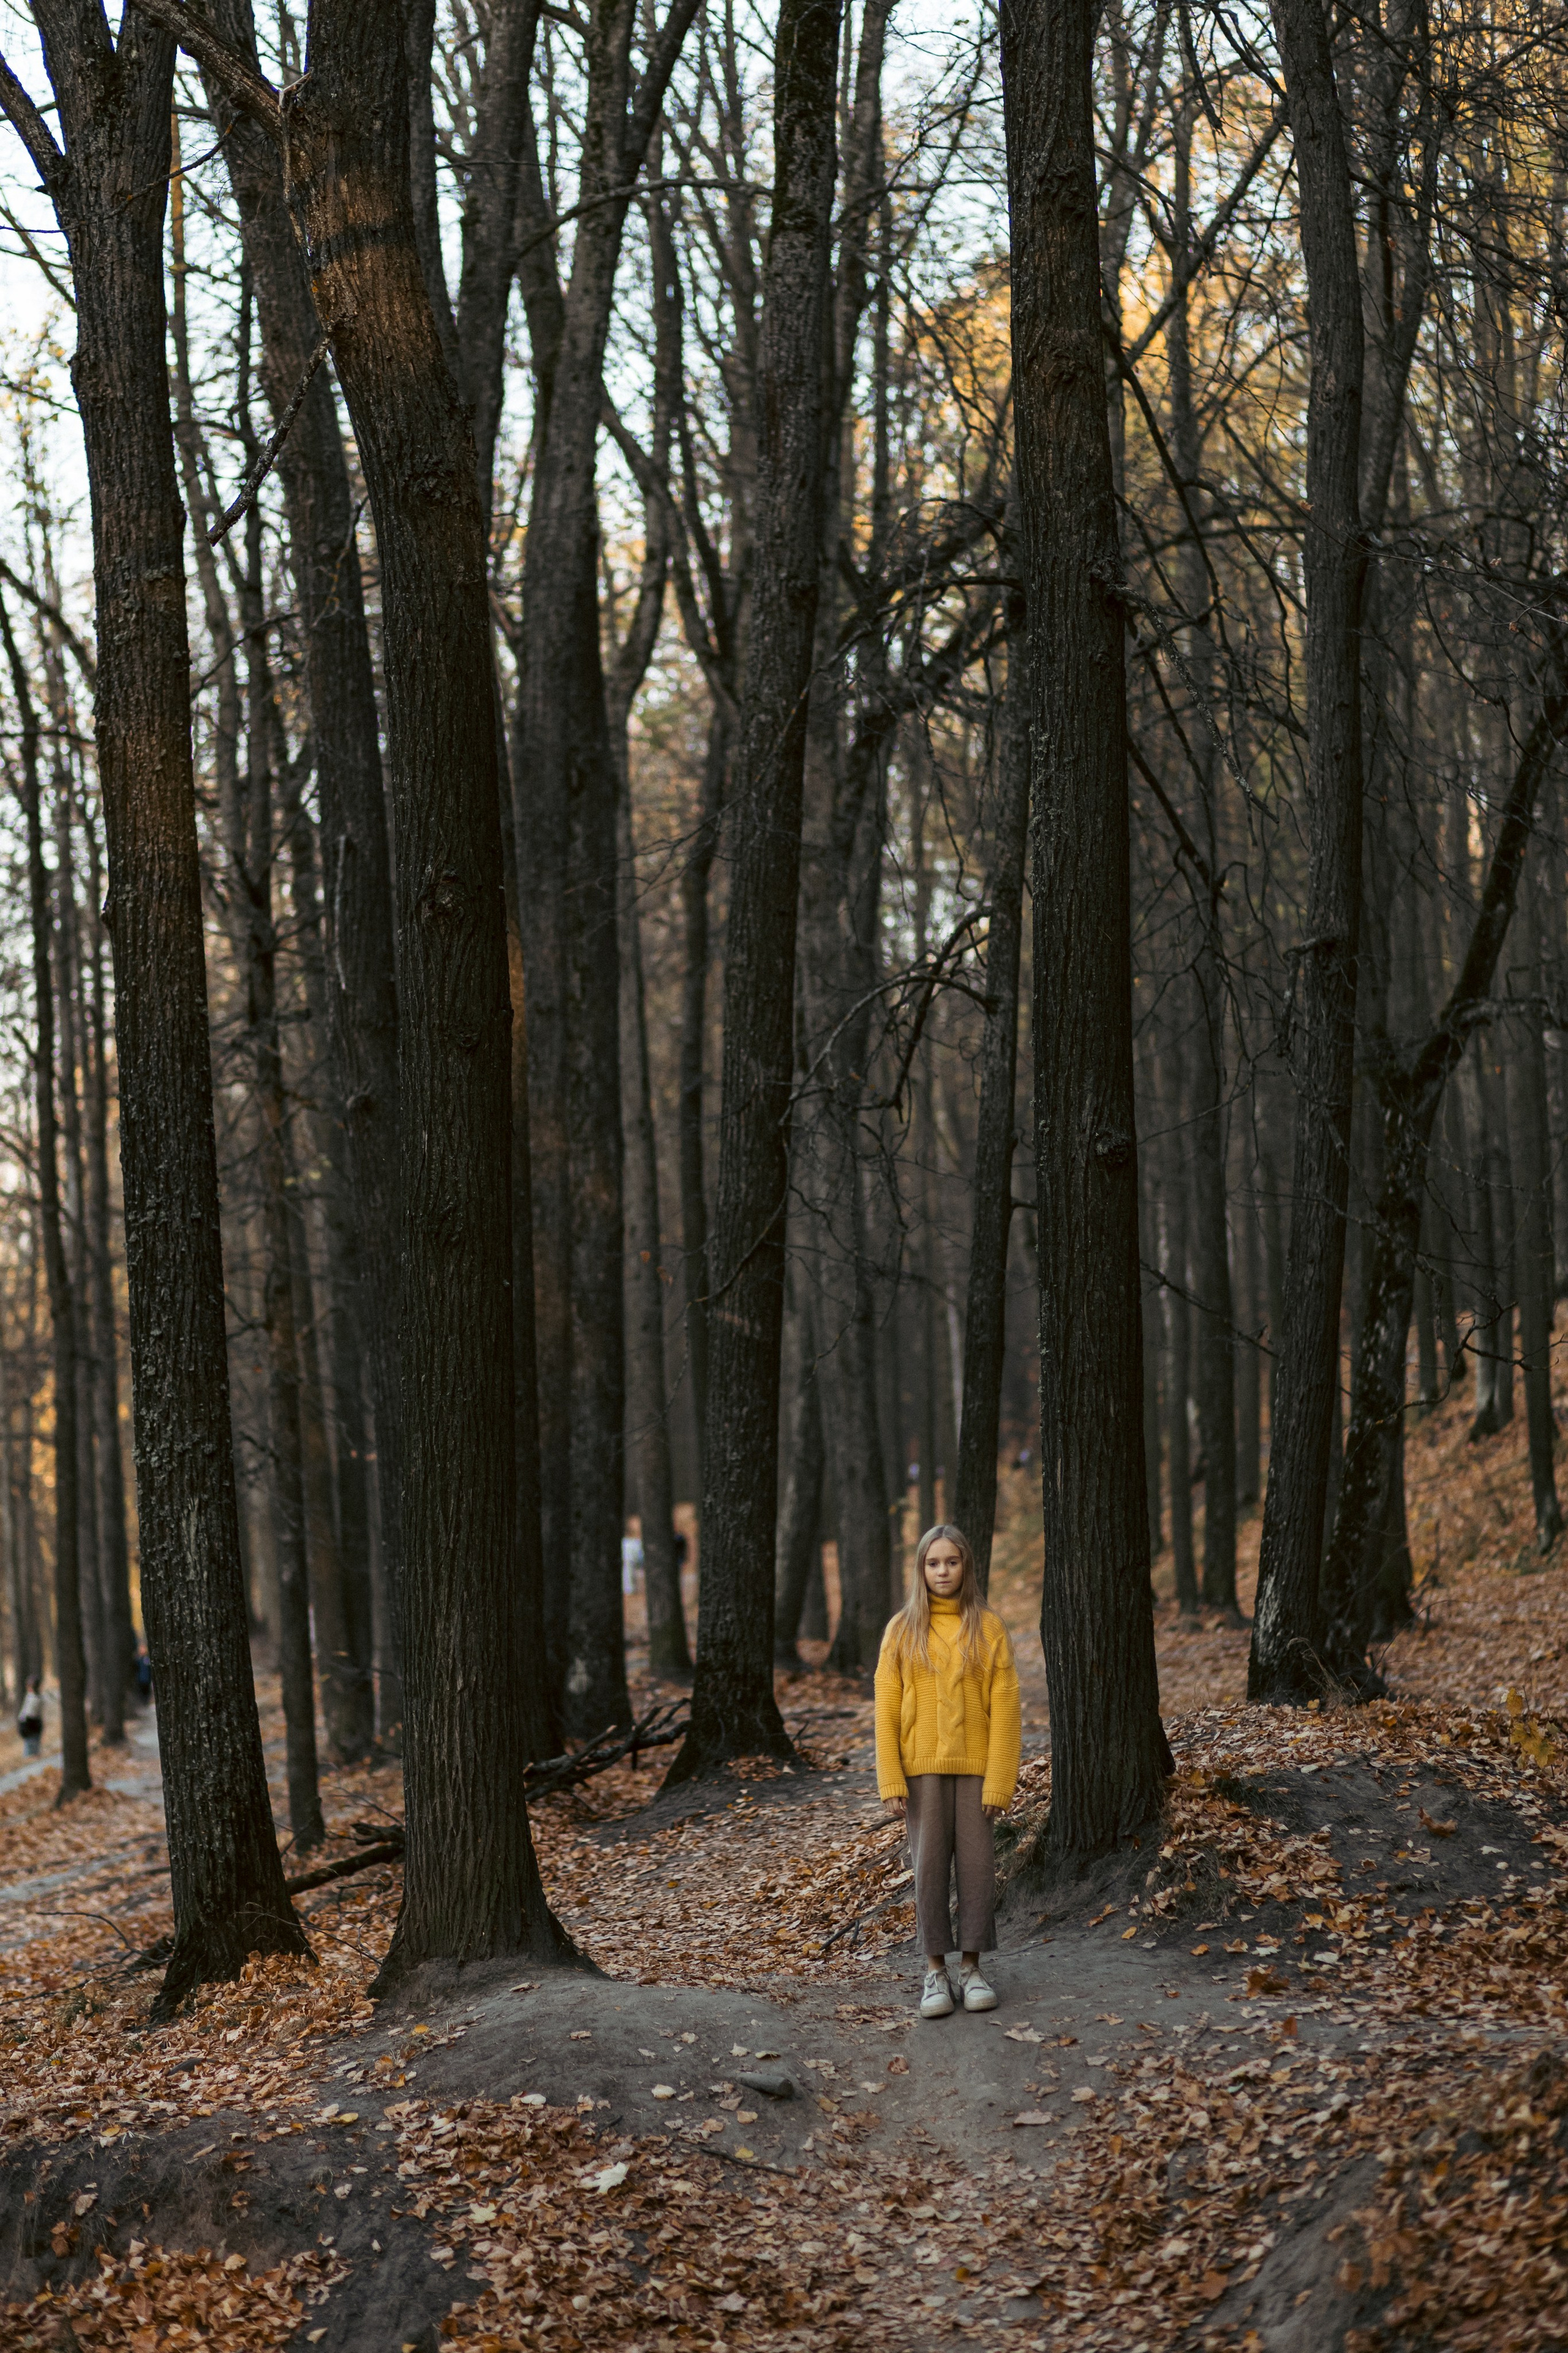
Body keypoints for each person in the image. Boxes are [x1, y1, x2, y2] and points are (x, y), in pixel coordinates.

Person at [875, 1523, 1020, 2020]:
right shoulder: (902, 1629)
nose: (942, 1571)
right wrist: (891, 1780)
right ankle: (935, 1969)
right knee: (930, 1868)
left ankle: (972, 1968)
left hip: (977, 1769)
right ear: (921, 1568)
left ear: (966, 1567)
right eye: (933, 1563)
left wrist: (1001, 1778)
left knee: (979, 1867)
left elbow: (1005, 1708)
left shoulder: (989, 1627)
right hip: (921, 1772)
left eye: (951, 1562)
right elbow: (887, 1709)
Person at [17, 1675, 43, 1758]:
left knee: (31, 1754)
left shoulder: (35, 1699)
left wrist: (25, 1729)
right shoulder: (31, 1696)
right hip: (30, 1730)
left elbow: (31, 1716)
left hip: (31, 1730)